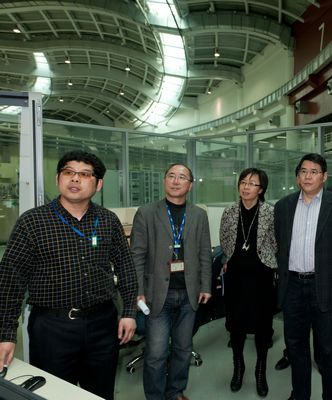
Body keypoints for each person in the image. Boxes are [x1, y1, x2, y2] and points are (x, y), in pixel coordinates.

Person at [0, 150, 137, 400]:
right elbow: (11, 280)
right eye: (68, 172)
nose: (75, 179)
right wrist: (6, 334)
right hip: (52, 328)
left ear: (98, 184)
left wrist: (128, 312)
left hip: (102, 324)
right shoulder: (32, 222)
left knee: (99, 393)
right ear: (58, 179)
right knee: (53, 394)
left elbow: (126, 267)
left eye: (84, 174)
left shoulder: (108, 220)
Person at [130, 163, 212, 400]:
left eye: (182, 177)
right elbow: (137, 256)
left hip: (189, 292)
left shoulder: (199, 215)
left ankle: (175, 392)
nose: (176, 181)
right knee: (156, 354)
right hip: (158, 294)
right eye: (171, 176)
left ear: (190, 185)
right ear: (165, 180)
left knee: (183, 349)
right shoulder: (146, 213)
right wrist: (138, 290)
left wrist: (206, 285)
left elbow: (204, 253)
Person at [275, 153, 332, 400]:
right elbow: (280, 246)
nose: (308, 176)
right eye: (303, 171)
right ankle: (300, 395)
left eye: (314, 172)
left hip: (324, 286)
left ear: (324, 177)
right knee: (296, 347)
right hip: (293, 287)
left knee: (327, 350)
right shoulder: (283, 206)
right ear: (297, 177)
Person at [219, 168, 278, 397]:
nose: (246, 187)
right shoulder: (229, 212)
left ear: (261, 189)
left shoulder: (270, 213)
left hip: (262, 277)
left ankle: (260, 370)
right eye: (243, 182)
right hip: (236, 276)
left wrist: (270, 263)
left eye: (252, 183)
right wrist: (227, 261)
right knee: (236, 325)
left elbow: (276, 242)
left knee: (263, 326)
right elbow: (225, 240)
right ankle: (238, 367)